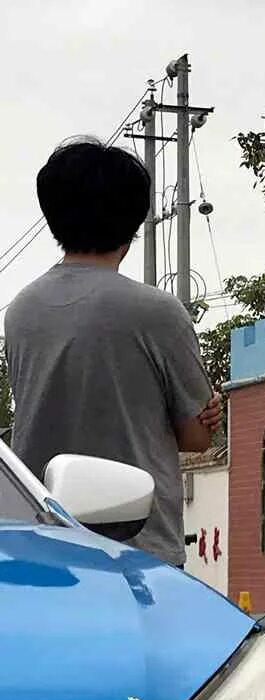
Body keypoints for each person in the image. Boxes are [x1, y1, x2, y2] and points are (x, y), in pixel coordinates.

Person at [3, 137, 221, 566]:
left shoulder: (21, 310)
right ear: (133, 222)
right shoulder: (157, 312)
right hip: (137, 548)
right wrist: (209, 414)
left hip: (42, 543)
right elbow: (196, 437)